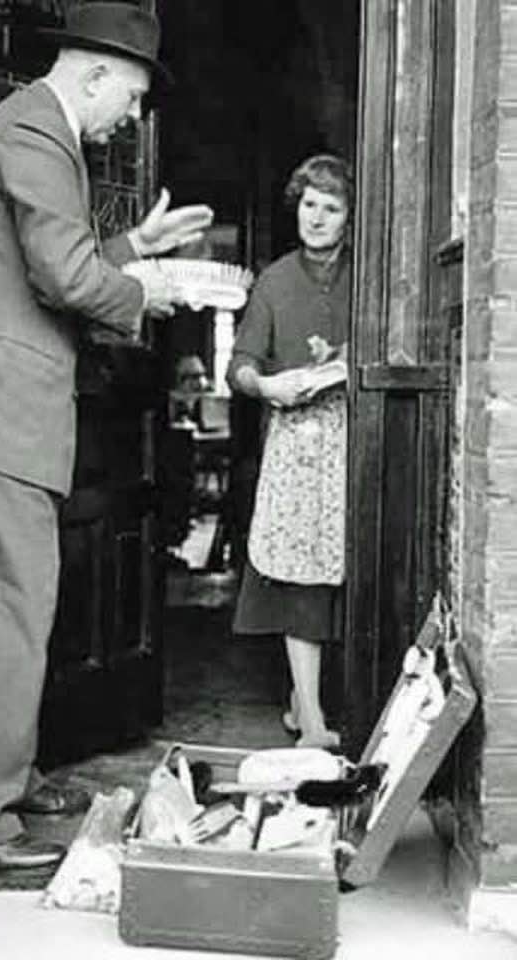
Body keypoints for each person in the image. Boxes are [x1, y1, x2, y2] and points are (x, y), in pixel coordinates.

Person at [0, 2, 213, 872]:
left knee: (10, 607)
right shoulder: (39, 134)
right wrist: (146, 290)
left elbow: (47, 259)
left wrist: (133, 245)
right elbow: (61, 274)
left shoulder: (30, 128)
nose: (135, 118)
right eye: (136, 98)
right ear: (97, 74)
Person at [227, 154, 352, 750]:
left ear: (350, 218)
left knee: (346, 574)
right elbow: (240, 366)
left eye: (331, 208)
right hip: (297, 446)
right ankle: (313, 718)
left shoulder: (368, 276)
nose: (317, 218)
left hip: (355, 442)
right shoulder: (275, 280)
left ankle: (309, 708)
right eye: (309, 205)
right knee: (299, 579)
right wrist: (265, 384)